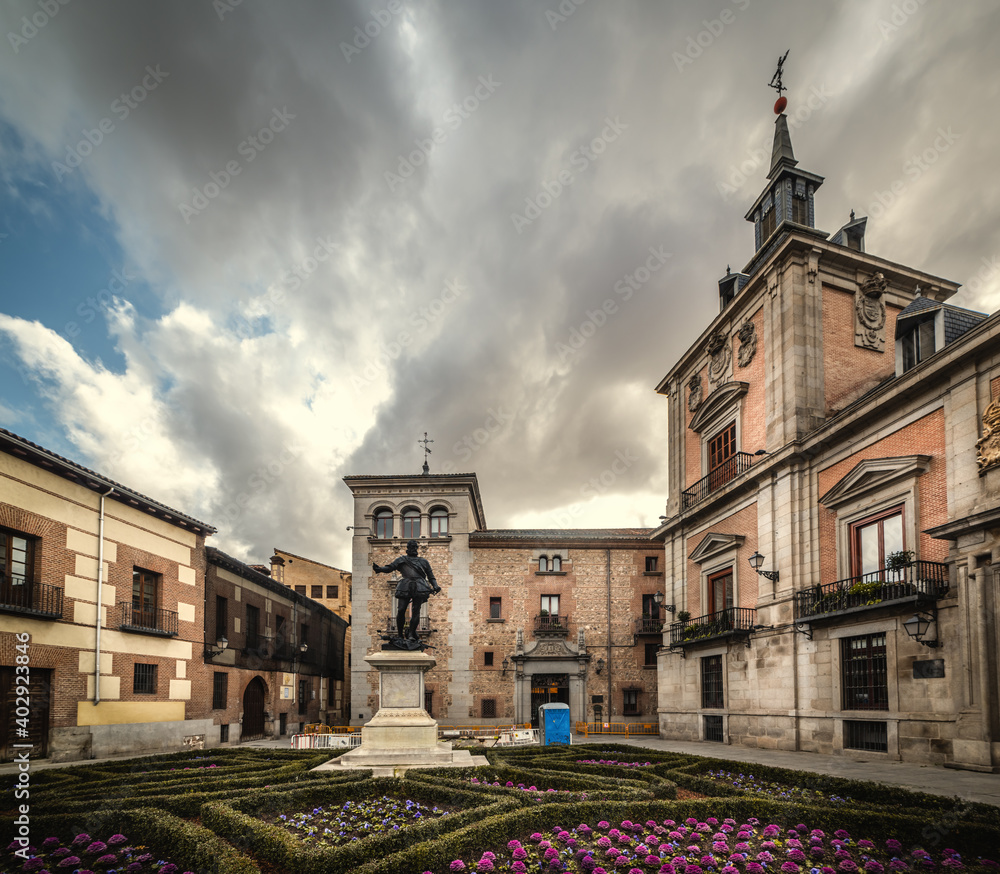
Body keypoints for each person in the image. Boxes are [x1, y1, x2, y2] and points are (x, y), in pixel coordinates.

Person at [373, 539, 441, 640]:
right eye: (411, 547)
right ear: (408, 549)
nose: (413, 549)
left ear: (417, 549)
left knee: (416, 610)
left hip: (420, 586)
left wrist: (435, 585)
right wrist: (380, 569)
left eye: (414, 547)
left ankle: (411, 634)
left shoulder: (423, 561)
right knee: (401, 609)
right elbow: (390, 567)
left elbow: (431, 576)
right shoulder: (402, 560)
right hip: (405, 586)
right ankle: (400, 634)